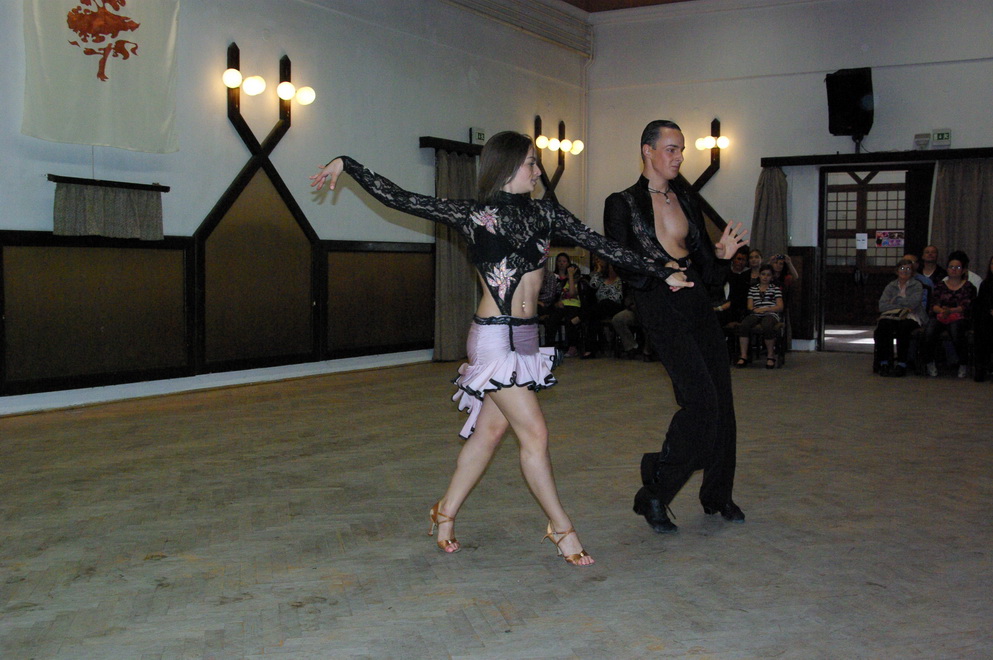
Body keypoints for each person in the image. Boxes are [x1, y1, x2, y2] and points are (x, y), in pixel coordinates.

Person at [310, 132, 672, 566]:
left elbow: (601, 244)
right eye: (531, 163)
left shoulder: (546, 212)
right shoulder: (474, 215)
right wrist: (348, 163)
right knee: (535, 434)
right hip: (494, 339)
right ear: (506, 166)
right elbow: (403, 199)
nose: (538, 172)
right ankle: (561, 528)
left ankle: (445, 512)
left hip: (527, 339)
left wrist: (659, 269)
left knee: (490, 433)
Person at [603, 119, 748, 533]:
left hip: (695, 300)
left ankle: (717, 495)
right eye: (671, 149)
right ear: (647, 150)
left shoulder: (685, 196)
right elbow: (622, 262)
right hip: (658, 304)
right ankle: (656, 489)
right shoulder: (621, 203)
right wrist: (659, 271)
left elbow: (707, 270)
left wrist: (723, 257)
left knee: (722, 402)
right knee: (700, 402)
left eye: (681, 149)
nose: (680, 157)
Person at [921, 250, 977, 378]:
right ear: (947, 269)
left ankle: (963, 363)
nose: (954, 270)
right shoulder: (940, 285)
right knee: (930, 330)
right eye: (951, 267)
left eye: (957, 267)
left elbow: (967, 305)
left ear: (963, 270)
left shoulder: (969, 286)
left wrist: (950, 311)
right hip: (941, 315)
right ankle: (929, 362)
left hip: (960, 317)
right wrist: (942, 311)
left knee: (956, 329)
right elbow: (933, 304)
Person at [873, 258, 924, 377]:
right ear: (897, 271)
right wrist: (902, 303)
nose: (904, 271)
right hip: (892, 316)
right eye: (902, 268)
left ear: (912, 272)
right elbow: (882, 305)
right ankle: (884, 362)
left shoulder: (917, 285)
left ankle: (902, 363)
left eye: (908, 269)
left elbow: (913, 304)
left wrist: (895, 299)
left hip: (911, 316)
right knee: (883, 326)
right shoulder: (890, 286)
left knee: (903, 327)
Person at [735, 264, 784, 369]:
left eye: (768, 275)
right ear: (759, 275)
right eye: (763, 274)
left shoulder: (775, 289)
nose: (765, 277)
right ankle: (743, 355)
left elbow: (780, 306)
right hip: (756, 313)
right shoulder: (753, 289)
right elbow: (749, 305)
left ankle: (770, 355)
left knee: (767, 325)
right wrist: (755, 310)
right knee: (744, 325)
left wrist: (766, 309)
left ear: (772, 277)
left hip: (770, 313)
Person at [972, 255, 993, 382]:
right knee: (982, 328)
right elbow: (981, 303)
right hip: (988, 317)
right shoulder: (986, 284)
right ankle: (981, 367)